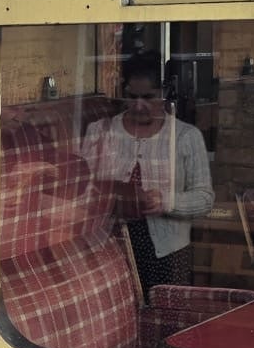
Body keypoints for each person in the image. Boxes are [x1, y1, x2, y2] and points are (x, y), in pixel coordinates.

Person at [80, 55, 215, 290]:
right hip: (106, 249)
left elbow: (205, 198)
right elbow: (81, 189)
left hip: (167, 253)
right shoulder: (100, 132)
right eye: (132, 97)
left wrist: (167, 201)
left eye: (148, 97)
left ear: (163, 94)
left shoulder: (185, 136)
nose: (139, 105)